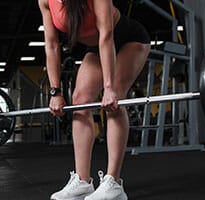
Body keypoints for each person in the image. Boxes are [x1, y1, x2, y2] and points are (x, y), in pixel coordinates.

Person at [38, 0, 150, 199]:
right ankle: (82, 181)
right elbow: (52, 45)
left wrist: (109, 88)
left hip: (127, 39)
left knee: (115, 99)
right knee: (79, 100)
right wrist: (55, 93)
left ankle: (114, 183)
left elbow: (106, 35)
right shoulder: (45, 1)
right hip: (97, 48)